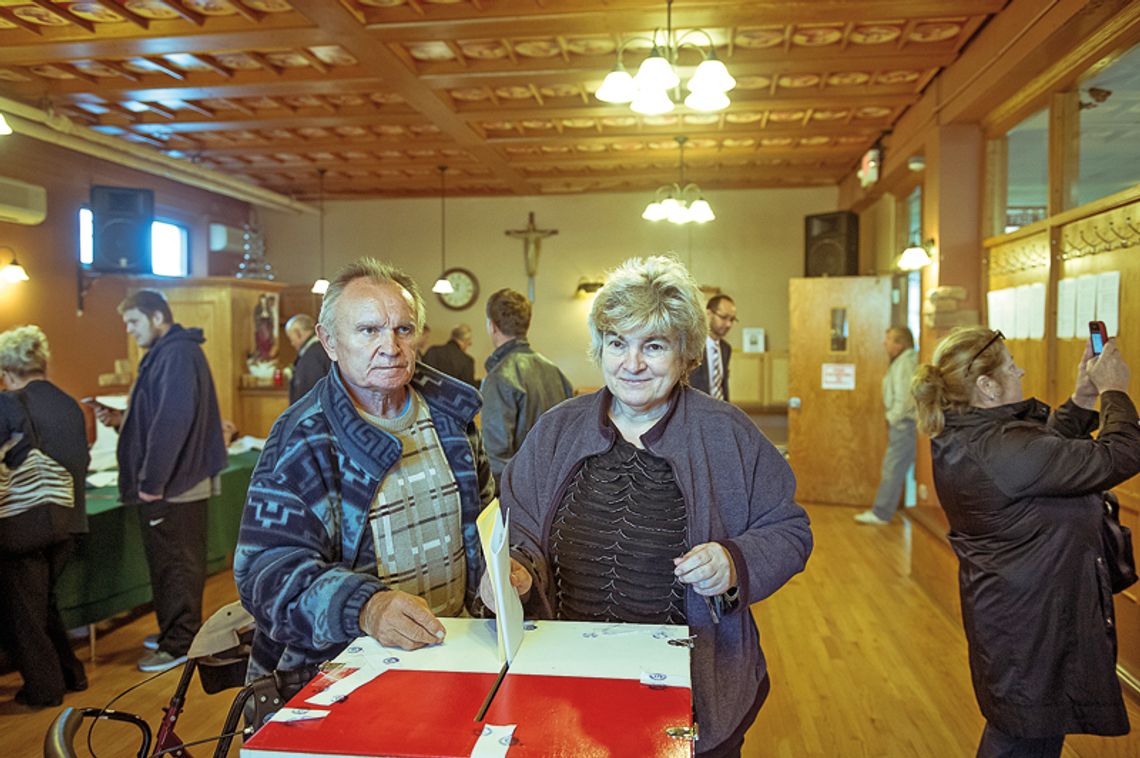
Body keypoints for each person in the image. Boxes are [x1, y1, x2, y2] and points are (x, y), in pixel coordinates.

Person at [486, 256, 812, 757]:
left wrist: (732, 561)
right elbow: (520, 526)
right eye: (617, 343)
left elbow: (789, 529)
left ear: (685, 354)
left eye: (653, 346)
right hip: (568, 678)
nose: (631, 364)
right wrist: (516, 571)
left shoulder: (726, 433)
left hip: (693, 687)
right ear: (600, 348)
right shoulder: (556, 429)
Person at [234, 258, 494, 689]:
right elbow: (265, 573)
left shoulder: (454, 418)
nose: (390, 346)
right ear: (330, 342)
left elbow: (485, 518)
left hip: (454, 655)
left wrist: (504, 565)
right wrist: (366, 607)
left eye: (403, 330)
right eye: (369, 330)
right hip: (346, 672)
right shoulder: (303, 438)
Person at [913, 327, 1140, 757]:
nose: (1021, 370)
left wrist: (1083, 401)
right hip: (1030, 628)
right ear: (986, 385)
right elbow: (1120, 454)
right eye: (1011, 366)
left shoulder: (977, 435)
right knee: (1023, 737)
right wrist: (1114, 390)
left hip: (1020, 617)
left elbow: (1042, 455)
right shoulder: (1001, 451)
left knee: (1027, 732)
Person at [93, 290, 227, 673]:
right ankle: (175, 628)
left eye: (134, 322)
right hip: (174, 482)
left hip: (173, 486)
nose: (130, 331)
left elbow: (173, 420)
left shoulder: (176, 354)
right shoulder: (172, 352)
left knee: (176, 566)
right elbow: (161, 413)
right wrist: (123, 420)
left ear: (156, 317)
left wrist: (151, 482)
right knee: (171, 564)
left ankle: (179, 642)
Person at [0, 326, 88, 707]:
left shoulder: (10, 404)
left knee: (23, 615)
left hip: (24, 522)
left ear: (7, 367)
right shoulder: (67, 403)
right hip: (68, 522)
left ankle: (44, 688)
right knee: (45, 605)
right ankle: (71, 673)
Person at [481, 288, 573, 488]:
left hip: (521, 496)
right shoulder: (555, 372)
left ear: (492, 326)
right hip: (558, 487)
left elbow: (495, 457)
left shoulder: (498, 377)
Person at [855, 326, 918, 525]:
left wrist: (892, 418)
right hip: (903, 423)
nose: (885, 343)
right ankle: (883, 510)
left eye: (889, 339)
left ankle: (881, 513)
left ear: (900, 343)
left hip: (903, 424)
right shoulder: (902, 362)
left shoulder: (905, 364)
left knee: (893, 467)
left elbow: (905, 398)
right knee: (893, 467)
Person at [688, 294, 736, 400]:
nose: (728, 324)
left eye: (732, 319)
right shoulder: (692, 345)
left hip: (719, 410)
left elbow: (722, 385)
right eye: (723, 317)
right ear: (708, 314)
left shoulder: (726, 348)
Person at [284, 313, 331, 405]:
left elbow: (310, 393)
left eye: (291, 338)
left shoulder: (313, 355)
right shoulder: (321, 348)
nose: (292, 343)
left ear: (298, 333)